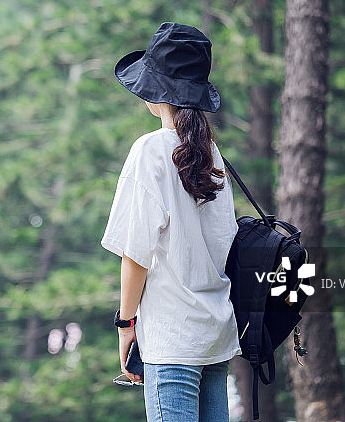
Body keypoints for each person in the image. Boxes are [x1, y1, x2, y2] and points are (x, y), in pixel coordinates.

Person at [101, 22, 240, 422]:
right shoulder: (213, 156)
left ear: (154, 92)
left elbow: (135, 255)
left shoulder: (151, 150)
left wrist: (126, 324)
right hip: (215, 335)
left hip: (171, 339)